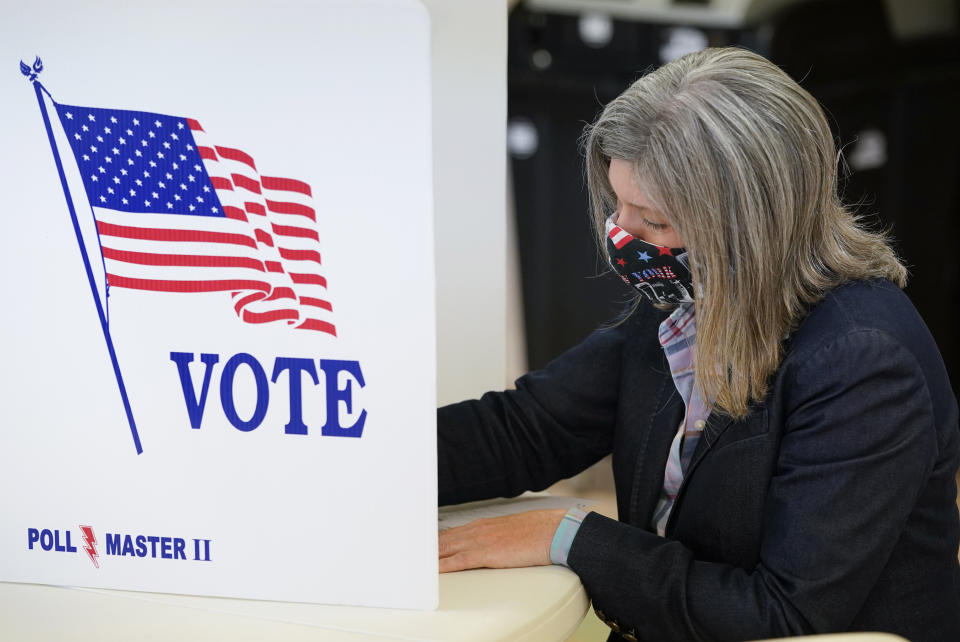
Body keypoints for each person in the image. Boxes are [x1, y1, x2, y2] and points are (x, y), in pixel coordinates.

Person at [436, 47, 960, 642]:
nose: (621, 237)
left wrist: (568, 535)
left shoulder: (863, 362)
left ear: (748, 222)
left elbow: (783, 615)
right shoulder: (690, 299)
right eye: (618, 206)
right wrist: (368, 462)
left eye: (652, 220)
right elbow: (528, 428)